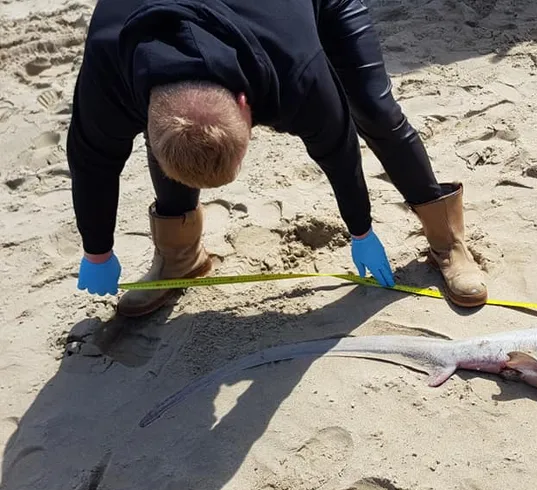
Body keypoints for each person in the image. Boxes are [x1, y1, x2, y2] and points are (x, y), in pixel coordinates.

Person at [69, 0, 488, 318]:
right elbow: (91, 161)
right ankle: (180, 258)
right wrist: (97, 252)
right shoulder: (109, 69)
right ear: (144, 109)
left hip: (310, 10)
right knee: (181, 136)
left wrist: (360, 230)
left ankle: (446, 240)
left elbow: (337, 142)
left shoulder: (295, 70)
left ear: (245, 100)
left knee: (374, 111)